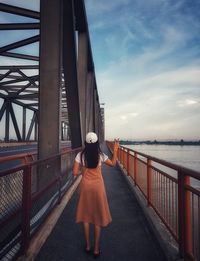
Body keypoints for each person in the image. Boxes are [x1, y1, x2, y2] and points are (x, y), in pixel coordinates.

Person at [73, 132, 119, 257]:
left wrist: (83, 170)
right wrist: (115, 149)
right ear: (97, 143)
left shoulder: (80, 155)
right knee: (98, 217)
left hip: (85, 187)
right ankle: (96, 249)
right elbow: (113, 164)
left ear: (86, 143)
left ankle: (88, 246)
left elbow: (75, 172)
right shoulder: (101, 155)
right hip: (98, 187)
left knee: (85, 215)